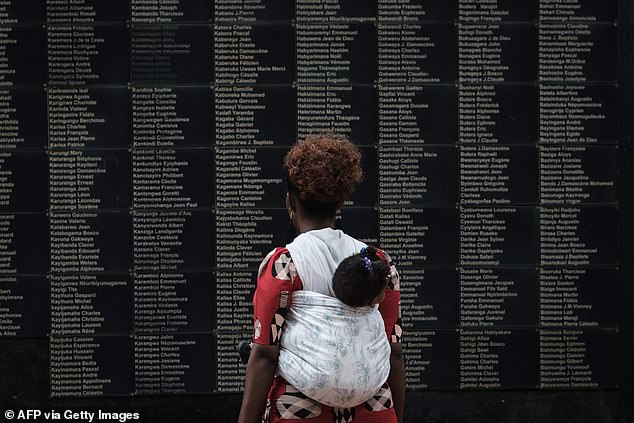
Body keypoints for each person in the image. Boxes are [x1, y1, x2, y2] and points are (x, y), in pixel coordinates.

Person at [237, 134, 405, 423]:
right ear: (340, 202)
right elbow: (395, 352)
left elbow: (264, 356)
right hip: (375, 411)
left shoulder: (284, 265)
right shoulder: (378, 263)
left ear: (290, 202)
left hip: (303, 413)